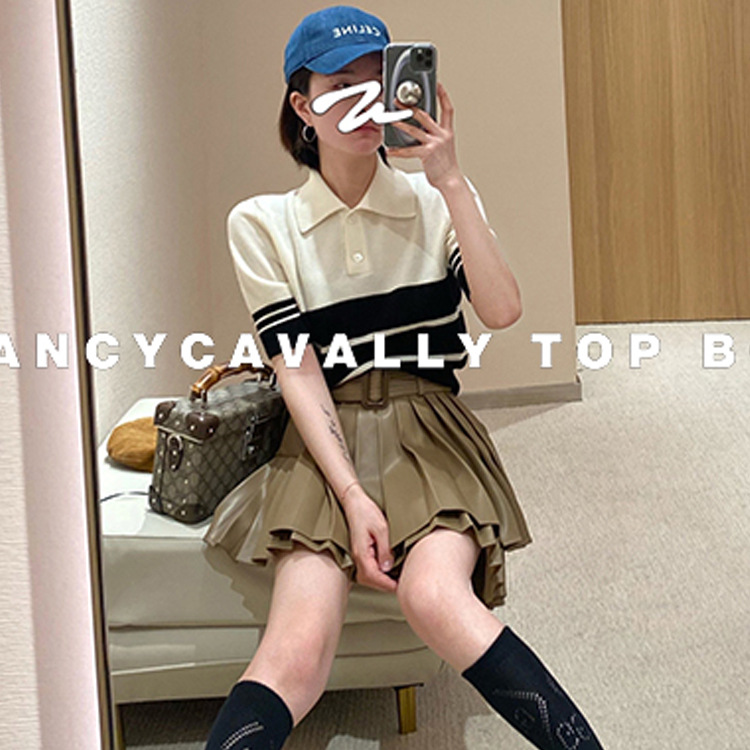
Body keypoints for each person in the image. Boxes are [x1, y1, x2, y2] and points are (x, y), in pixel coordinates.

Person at [202, 6, 604, 749]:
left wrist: (450, 179)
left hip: (430, 429)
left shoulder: (435, 201)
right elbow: (298, 371)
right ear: (303, 108)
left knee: (436, 597)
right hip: (324, 439)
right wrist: (353, 496)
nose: (364, 101)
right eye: (340, 86)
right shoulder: (262, 224)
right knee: (295, 651)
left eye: (376, 81)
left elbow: (502, 309)